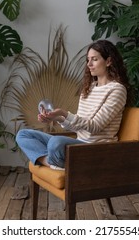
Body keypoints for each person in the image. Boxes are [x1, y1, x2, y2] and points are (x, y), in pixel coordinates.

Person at [16, 39, 131, 170]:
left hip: (96, 150)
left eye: (94, 59)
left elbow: (95, 127)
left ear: (109, 61)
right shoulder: (89, 88)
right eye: (88, 60)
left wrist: (64, 113)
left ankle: (58, 163)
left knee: (56, 142)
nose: (89, 64)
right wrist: (57, 118)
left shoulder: (117, 90)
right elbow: (78, 128)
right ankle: (53, 162)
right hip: (78, 145)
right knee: (23, 135)